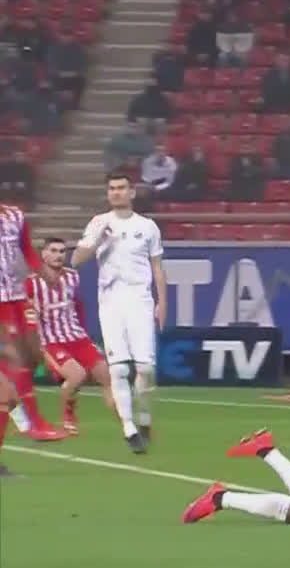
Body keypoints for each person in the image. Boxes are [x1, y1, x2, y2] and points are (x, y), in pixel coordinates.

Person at [71, 173, 166, 454]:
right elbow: (75, 260)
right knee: (119, 369)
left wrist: (162, 302)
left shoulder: (147, 226)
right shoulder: (99, 222)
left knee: (146, 369)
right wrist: (96, 240)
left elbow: (157, 266)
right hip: (111, 303)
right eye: (112, 188)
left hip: (141, 301)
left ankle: (144, 417)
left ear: (132, 192)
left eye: (121, 188)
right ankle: (129, 428)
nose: (116, 192)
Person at [24, 237, 115, 435]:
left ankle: (126, 422)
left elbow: (78, 305)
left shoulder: (73, 277)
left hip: (77, 337)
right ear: (44, 254)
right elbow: (28, 315)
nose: (59, 255)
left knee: (106, 375)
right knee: (77, 375)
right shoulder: (32, 283)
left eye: (62, 251)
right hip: (51, 341)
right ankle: (68, 417)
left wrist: (84, 333)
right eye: (53, 251)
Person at [0, 204, 66, 443]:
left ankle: (29, 422)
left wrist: (46, 275)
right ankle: (33, 423)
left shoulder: (15, 215)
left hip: (16, 297)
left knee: (29, 357)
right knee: (12, 365)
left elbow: (26, 249)